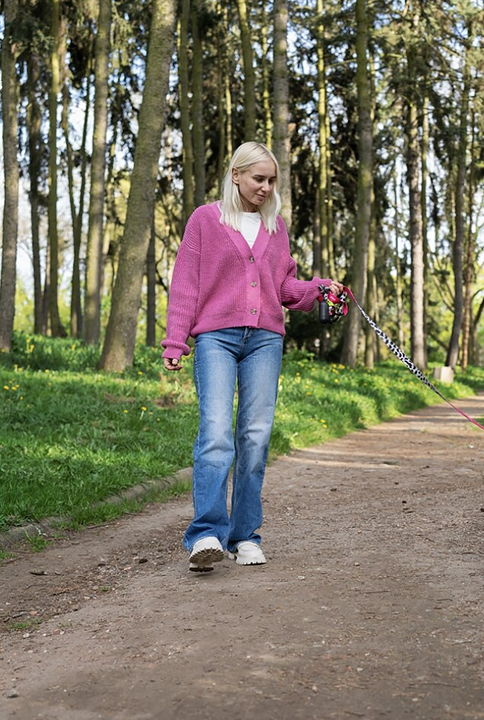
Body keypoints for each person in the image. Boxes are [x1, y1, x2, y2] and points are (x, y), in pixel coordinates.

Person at [162, 141, 344, 572]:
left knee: (255, 438)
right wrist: (176, 340)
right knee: (216, 434)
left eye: (271, 180)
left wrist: (320, 289)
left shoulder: (274, 227)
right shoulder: (205, 220)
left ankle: (245, 536)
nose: (265, 187)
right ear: (236, 175)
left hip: (264, 339)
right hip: (216, 340)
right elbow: (186, 283)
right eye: (258, 178)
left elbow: (284, 289)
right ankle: (205, 534)